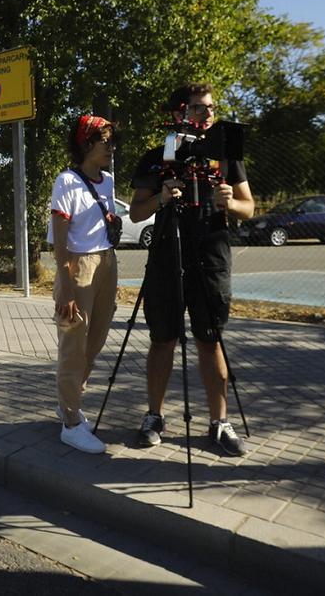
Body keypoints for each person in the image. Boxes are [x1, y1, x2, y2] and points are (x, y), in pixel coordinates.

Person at [127, 83, 254, 456]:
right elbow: (136, 212)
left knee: (209, 338)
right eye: (199, 109)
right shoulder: (156, 156)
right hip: (168, 255)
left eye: (211, 108)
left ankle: (220, 422)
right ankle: (154, 416)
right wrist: (161, 197)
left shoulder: (227, 155)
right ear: (179, 113)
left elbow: (250, 208)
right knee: (162, 338)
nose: (208, 115)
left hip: (212, 256)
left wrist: (230, 203)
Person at [49, 114, 121, 453]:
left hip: (107, 262)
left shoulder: (107, 180)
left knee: (95, 341)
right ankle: (71, 421)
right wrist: (64, 284)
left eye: (111, 140)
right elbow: (60, 240)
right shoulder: (66, 181)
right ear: (85, 144)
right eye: (104, 140)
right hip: (79, 266)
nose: (111, 146)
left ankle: (71, 402)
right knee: (73, 345)